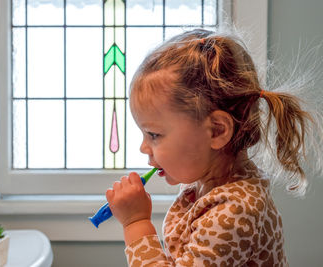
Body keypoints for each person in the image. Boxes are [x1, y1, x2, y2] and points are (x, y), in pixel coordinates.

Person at [105, 29, 318, 266]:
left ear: (217, 131)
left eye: (154, 134)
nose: (144, 147)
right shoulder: (212, 185)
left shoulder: (235, 212)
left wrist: (136, 222)